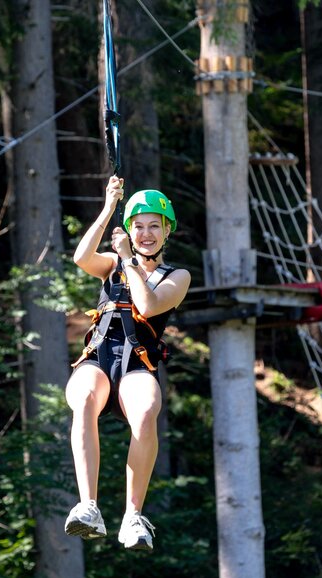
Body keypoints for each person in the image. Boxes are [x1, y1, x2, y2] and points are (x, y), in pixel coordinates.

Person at [63, 176, 191, 551]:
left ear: (167, 231)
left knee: (147, 409)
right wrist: (107, 208)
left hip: (137, 361)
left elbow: (148, 306)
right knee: (84, 398)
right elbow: (81, 257)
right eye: (139, 226)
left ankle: (133, 516)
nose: (146, 233)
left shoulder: (177, 276)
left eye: (154, 226)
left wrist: (129, 260)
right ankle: (88, 506)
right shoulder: (111, 264)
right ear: (130, 231)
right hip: (99, 355)